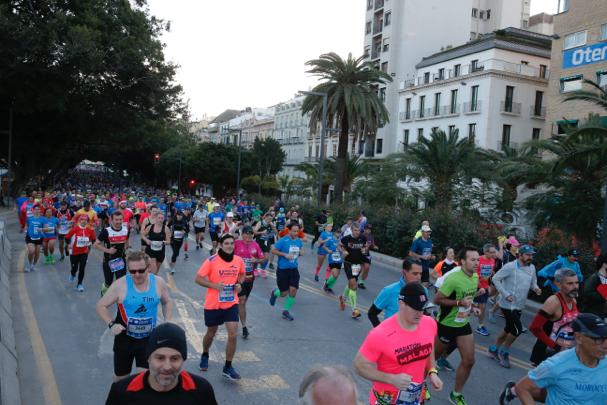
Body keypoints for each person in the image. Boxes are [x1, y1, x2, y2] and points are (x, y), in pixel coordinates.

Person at [354, 282, 443, 405]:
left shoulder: (429, 323)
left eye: (422, 308)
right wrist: (391, 379)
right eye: (415, 308)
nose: (420, 313)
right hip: (386, 399)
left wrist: (432, 371)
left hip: (415, 398)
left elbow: (429, 347)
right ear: (402, 304)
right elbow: (359, 366)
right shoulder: (381, 334)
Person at [96, 251, 173, 382]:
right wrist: (111, 324)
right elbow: (100, 306)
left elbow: (167, 301)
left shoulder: (158, 283)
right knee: (121, 379)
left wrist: (168, 321)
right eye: (132, 271)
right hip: (125, 339)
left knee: (144, 379)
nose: (137, 275)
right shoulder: (120, 285)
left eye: (141, 270)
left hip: (148, 339)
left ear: (148, 268)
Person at [499, 313, 607, 405]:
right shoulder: (556, 365)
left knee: (561, 389)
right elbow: (522, 388)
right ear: (579, 338)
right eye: (598, 339)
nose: (606, 344)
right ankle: (512, 391)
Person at [105, 322, 218, 404]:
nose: (167, 367)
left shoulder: (201, 390)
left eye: (174, 358)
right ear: (148, 358)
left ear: (183, 359)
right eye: (160, 358)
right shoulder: (122, 392)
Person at [433, 246, 481, 405]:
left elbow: (468, 298)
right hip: (446, 324)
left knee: (469, 361)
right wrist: (459, 303)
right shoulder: (453, 278)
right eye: (473, 259)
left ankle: (455, 394)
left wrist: (472, 307)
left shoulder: (475, 277)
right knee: (432, 359)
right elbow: (437, 300)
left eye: (478, 260)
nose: (476, 263)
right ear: (462, 261)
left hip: (462, 324)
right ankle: (418, 385)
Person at [195, 234, 245, 380]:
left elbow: (242, 274)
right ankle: (205, 353)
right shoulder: (212, 260)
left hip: (231, 303)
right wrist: (215, 286)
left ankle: (228, 367)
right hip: (213, 303)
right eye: (227, 243)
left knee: (233, 334)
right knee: (211, 332)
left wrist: (239, 284)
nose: (230, 246)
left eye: (232, 243)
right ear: (221, 245)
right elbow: (198, 279)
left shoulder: (238, 260)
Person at [489, 245, 542, 368]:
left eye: (532, 255)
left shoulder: (532, 268)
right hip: (507, 304)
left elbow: (533, 282)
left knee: (509, 328)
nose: (530, 257)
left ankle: (494, 348)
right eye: (528, 255)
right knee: (517, 329)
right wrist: (505, 294)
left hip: (519, 305)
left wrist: (536, 288)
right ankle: (504, 351)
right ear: (521, 255)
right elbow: (496, 278)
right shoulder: (510, 266)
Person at [528, 268, 580, 366]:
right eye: (570, 284)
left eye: (576, 283)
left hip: (563, 353)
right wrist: (556, 347)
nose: (575, 287)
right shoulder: (553, 302)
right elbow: (534, 328)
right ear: (558, 284)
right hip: (547, 354)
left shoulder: (573, 301)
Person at [368, 258, 423, 327]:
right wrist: (383, 333)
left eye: (420, 274)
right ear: (404, 272)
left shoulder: (423, 291)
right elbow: (372, 313)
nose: (419, 277)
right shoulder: (389, 291)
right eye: (415, 274)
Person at [233, 226, 265, 339]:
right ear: (242, 234)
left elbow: (263, 258)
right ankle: (244, 327)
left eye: (250, 234)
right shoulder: (236, 243)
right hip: (237, 278)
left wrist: (256, 260)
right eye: (246, 234)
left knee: (243, 302)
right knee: (241, 301)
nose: (248, 236)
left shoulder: (255, 245)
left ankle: (237, 315)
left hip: (250, 278)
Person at [269, 222, 304, 321]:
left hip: (294, 269)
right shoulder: (283, 240)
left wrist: (301, 252)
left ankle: (286, 311)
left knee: (293, 291)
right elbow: (273, 250)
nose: (296, 233)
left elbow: (301, 249)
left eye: (297, 231)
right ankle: (275, 293)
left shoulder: (298, 241)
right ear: (289, 231)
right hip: (283, 270)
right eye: (294, 231)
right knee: (284, 293)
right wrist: (284, 255)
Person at [94, 211, 129, 296]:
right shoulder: (106, 231)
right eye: (116, 220)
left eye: (120, 219)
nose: (118, 222)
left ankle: (119, 300)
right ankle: (104, 291)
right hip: (108, 261)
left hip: (120, 260)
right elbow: (95, 245)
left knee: (121, 282)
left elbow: (127, 240)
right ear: (111, 220)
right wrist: (108, 250)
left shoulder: (126, 229)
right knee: (108, 283)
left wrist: (126, 250)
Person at [338, 225, 367, 320]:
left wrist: (364, 250)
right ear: (351, 230)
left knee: (351, 283)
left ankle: (342, 297)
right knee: (354, 285)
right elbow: (339, 245)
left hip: (358, 264)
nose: (357, 232)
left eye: (358, 230)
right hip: (348, 263)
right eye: (355, 230)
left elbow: (366, 246)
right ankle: (354, 310)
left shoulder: (362, 238)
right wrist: (343, 251)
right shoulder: (346, 239)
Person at [65, 214, 96, 292]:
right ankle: (72, 274)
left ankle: (79, 284)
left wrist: (90, 243)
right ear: (79, 221)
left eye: (85, 220)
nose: (84, 221)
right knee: (74, 268)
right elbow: (67, 237)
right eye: (82, 220)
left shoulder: (90, 230)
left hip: (84, 252)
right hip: (74, 252)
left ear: (87, 221)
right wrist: (69, 244)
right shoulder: (75, 229)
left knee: (82, 268)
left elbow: (93, 239)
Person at [474, 243, 497, 336]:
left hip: (485, 287)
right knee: (466, 305)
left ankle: (480, 326)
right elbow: (473, 274)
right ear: (485, 252)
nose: (493, 254)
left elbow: (490, 272)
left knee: (482, 307)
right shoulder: (478, 260)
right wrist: (480, 284)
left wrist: (488, 285)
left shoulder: (492, 260)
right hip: (475, 286)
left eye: (494, 252)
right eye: (491, 252)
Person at [580, 254, 607, 319]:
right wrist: (603, 297)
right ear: (604, 264)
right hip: (591, 314)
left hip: (601, 313)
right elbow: (587, 292)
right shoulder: (594, 278)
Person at [321, 226, 343, 294]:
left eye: (340, 233)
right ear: (334, 233)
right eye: (338, 233)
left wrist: (342, 251)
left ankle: (330, 287)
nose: (339, 234)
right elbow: (324, 246)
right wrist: (328, 250)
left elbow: (342, 249)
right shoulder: (330, 239)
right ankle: (326, 284)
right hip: (332, 259)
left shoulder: (340, 241)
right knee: (335, 275)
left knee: (336, 276)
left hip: (339, 259)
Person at [24, 204, 44, 272]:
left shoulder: (43, 219)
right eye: (36, 209)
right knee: (31, 251)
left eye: (38, 209)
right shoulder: (29, 218)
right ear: (33, 210)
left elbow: (46, 228)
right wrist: (26, 230)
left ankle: (33, 265)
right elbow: (26, 225)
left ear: (40, 210)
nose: (37, 210)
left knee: (37, 253)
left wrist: (42, 229)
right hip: (30, 237)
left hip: (39, 238)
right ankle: (30, 265)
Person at [168, 210, 189, 274]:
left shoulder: (184, 222)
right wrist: (169, 231)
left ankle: (172, 261)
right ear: (176, 215)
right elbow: (167, 227)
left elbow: (188, 230)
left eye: (181, 216)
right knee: (175, 252)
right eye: (178, 215)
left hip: (180, 240)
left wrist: (185, 232)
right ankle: (173, 269)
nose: (179, 217)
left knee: (177, 253)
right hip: (173, 239)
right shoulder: (172, 221)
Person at [359, 225, 378, 290]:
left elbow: (372, 245)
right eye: (367, 229)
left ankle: (361, 282)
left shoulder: (371, 237)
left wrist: (375, 246)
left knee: (367, 267)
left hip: (367, 254)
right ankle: (354, 279)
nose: (368, 231)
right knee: (359, 269)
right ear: (364, 229)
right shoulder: (360, 235)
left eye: (369, 230)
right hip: (360, 253)